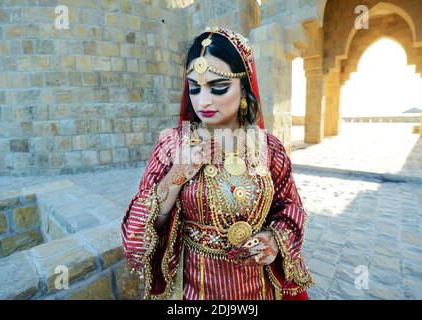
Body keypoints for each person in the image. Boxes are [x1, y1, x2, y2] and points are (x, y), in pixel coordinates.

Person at [121, 27, 314, 300]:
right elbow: (137, 234)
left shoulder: (269, 148)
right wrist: (177, 175)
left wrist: (273, 240)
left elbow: (291, 208)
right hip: (196, 289)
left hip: (260, 289)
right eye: (195, 88)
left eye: (219, 87)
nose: (203, 101)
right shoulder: (172, 146)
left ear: (244, 85)